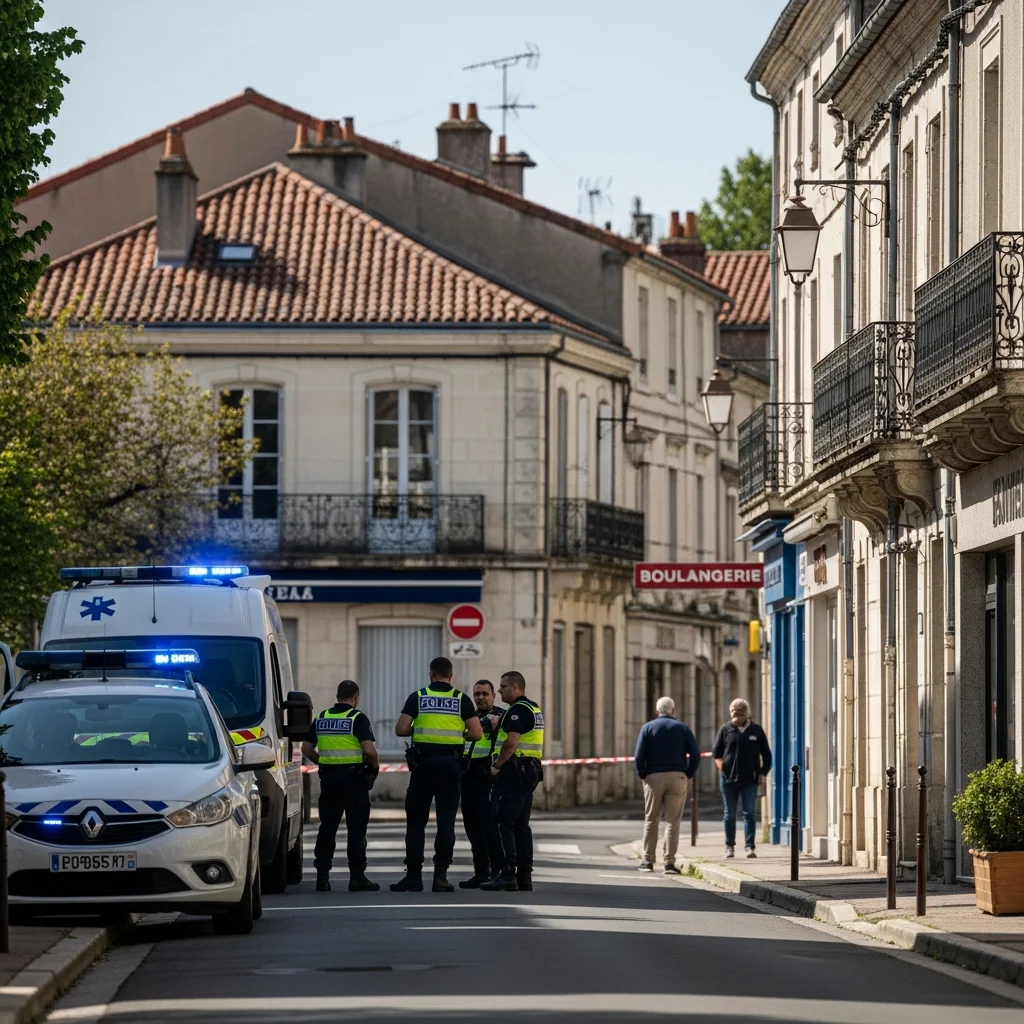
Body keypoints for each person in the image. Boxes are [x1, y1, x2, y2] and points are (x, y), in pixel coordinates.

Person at [391, 656, 482, 893]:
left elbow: (401, 729)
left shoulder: (418, 697)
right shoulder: (461, 699)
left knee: (416, 822)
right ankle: (440, 877)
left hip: (423, 766)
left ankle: (413, 876)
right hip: (451, 766)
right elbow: (476, 733)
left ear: (431, 674)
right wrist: (458, 734)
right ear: (451, 676)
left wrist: (418, 730)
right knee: (446, 821)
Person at [301, 679, 380, 892]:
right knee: (356, 830)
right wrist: (374, 767)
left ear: (337, 696)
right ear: (356, 698)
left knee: (327, 828)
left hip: (329, 780)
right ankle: (357, 878)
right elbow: (369, 750)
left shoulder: (322, 717)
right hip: (354, 780)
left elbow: (306, 748)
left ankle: (322, 877)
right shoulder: (357, 718)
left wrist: (323, 762)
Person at [481, 670, 544, 893]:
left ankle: (508, 874)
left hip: (516, 771)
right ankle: (524, 876)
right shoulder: (533, 708)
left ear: (515, 688)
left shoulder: (518, 710)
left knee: (503, 821)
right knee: (520, 823)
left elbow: (511, 741)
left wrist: (497, 764)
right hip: (529, 770)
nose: (499, 691)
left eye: (503, 687)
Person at [633, 696, 701, 874]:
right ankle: (669, 863)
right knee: (672, 822)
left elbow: (639, 756)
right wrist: (688, 774)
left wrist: (643, 774)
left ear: (657, 711)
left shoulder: (648, 728)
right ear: (673, 711)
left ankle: (647, 861)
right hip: (677, 777)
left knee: (651, 820)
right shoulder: (683, 728)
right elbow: (695, 755)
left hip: (653, 777)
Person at [711, 698, 772, 859]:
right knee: (729, 814)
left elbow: (767, 756)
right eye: (733, 711)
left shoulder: (756, 730)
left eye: (739, 711)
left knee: (749, 813)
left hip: (750, 779)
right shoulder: (726, 729)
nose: (736, 714)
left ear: (746, 713)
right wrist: (722, 767)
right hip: (728, 779)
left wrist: (762, 773)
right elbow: (716, 753)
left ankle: (750, 846)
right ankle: (729, 846)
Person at [459, 680, 505, 889]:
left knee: (489, 825)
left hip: (488, 775)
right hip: (468, 774)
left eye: (485, 694)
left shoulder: (501, 716)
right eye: (477, 694)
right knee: (472, 826)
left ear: (493, 695)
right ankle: (480, 872)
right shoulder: (469, 717)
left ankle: (497, 871)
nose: (480, 698)